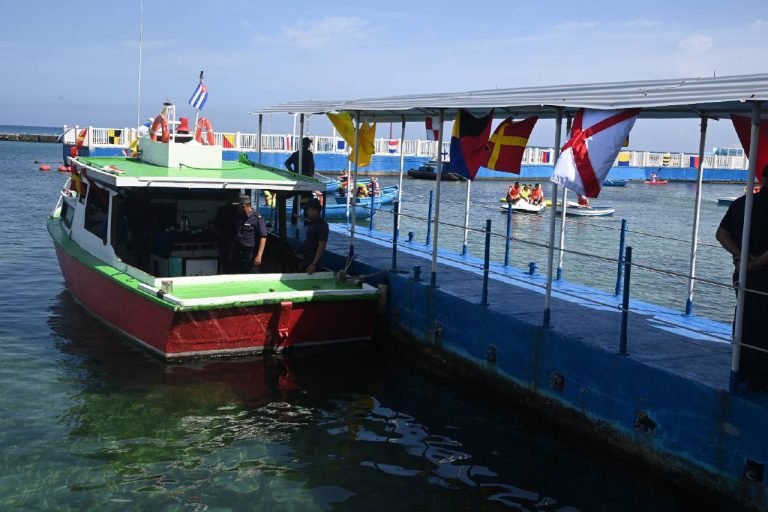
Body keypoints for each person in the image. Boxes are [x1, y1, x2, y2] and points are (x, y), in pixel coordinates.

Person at [716, 168, 768, 390]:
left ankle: (741, 369)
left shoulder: (741, 203)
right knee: (763, 327)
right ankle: (760, 378)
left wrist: (740, 254)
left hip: (743, 271)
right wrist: (757, 262)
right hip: (763, 274)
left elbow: (721, 233)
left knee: (745, 318)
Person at [231, 194, 268, 274]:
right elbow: (235, 234)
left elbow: (263, 237)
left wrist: (259, 255)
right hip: (237, 251)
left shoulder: (257, 218)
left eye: (238, 206)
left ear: (244, 206)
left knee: (250, 276)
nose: (237, 208)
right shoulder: (238, 216)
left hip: (250, 253)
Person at [298, 198, 328, 274]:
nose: (307, 212)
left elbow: (322, 245)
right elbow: (309, 241)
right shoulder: (312, 223)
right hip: (306, 258)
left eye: (308, 210)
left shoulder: (322, 225)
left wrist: (314, 264)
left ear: (314, 210)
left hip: (313, 262)